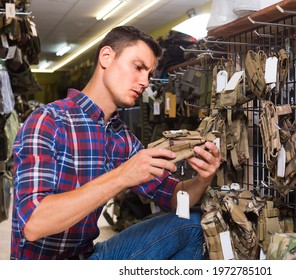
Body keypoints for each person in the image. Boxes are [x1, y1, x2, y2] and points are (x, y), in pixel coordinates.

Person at [10, 25, 221, 260]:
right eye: (138, 67)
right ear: (106, 57)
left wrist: (203, 179)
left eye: (149, 74)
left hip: (87, 255)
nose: (145, 82)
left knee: (191, 224)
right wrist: (122, 176)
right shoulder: (48, 121)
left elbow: (173, 196)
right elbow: (33, 224)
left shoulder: (121, 136)